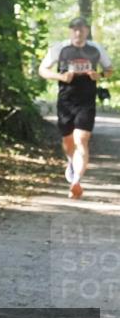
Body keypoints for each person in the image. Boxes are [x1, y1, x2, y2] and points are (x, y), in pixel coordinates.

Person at [38, 16, 113, 199]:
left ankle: (76, 182)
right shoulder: (59, 48)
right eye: (75, 29)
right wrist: (61, 77)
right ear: (70, 31)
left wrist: (99, 75)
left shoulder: (96, 49)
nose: (78, 32)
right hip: (66, 100)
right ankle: (71, 163)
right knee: (68, 141)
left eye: (82, 29)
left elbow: (109, 70)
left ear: (87, 30)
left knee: (82, 139)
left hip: (86, 100)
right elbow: (43, 70)